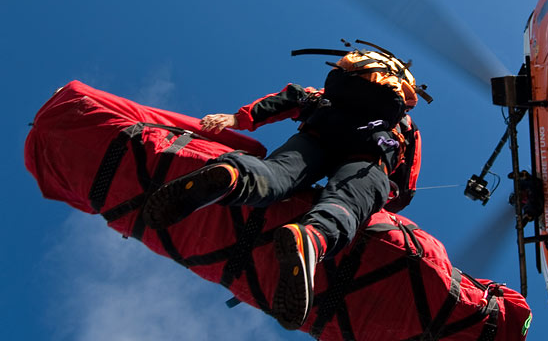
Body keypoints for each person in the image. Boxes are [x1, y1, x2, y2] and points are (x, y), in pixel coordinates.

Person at [140, 41, 426, 329]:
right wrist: (386, 198)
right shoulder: (405, 124)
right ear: (407, 92)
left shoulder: (330, 93)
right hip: (372, 152)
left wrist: (237, 119)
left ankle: (233, 175)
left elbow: (292, 97)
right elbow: (406, 184)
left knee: (276, 175)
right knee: (348, 203)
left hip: (319, 131)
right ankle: (312, 237)